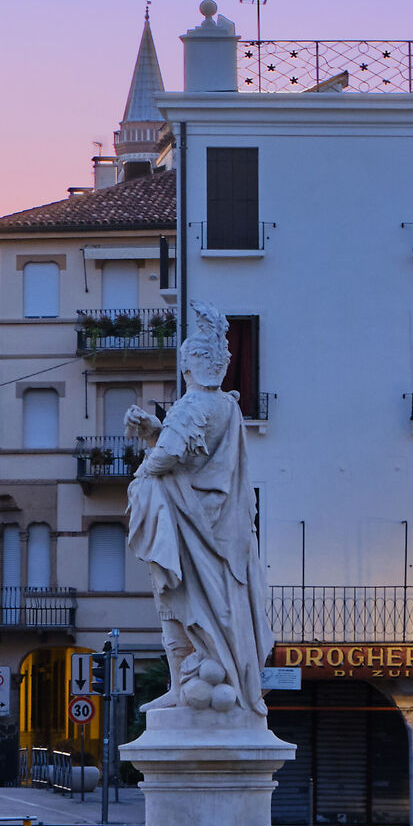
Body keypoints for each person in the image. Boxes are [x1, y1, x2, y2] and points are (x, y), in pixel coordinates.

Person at [124, 301, 271, 717]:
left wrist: (143, 471)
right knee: (214, 604)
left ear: (188, 366)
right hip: (221, 522)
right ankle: (210, 679)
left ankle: (180, 683)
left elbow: (169, 458)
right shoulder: (227, 405)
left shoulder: (191, 407)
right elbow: (193, 453)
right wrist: (157, 429)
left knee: (176, 599)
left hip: (188, 522)